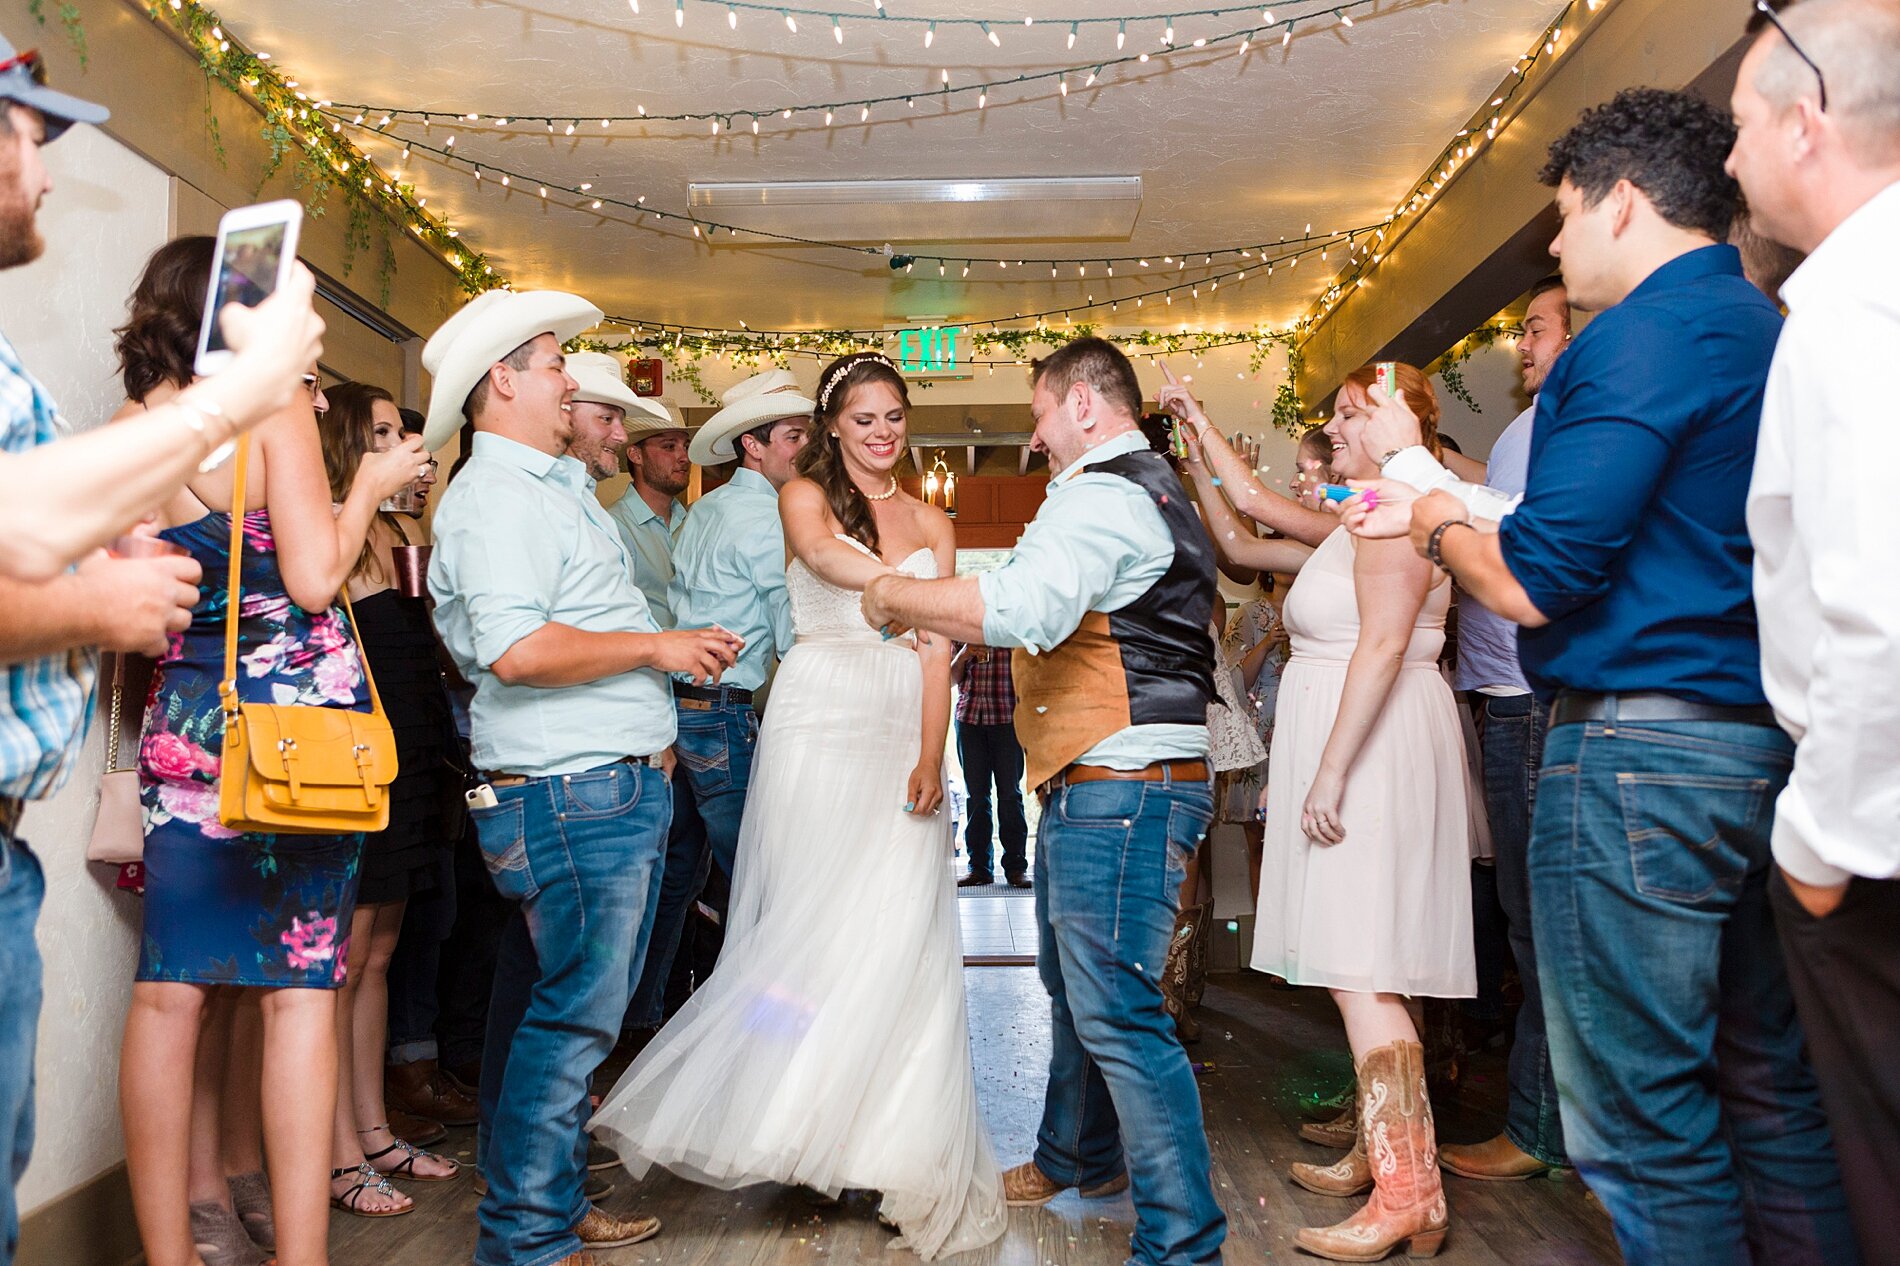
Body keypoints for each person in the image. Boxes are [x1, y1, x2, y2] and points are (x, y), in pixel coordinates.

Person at [1343, 89, 1858, 1266]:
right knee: (1766, 1094)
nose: (1558, 246)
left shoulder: (1635, 337)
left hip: (1636, 759)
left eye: (1565, 219)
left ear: (1623, 202)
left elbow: (1533, 581)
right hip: (1752, 745)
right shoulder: (1762, 325)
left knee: (1637, 1122)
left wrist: (1433, 521)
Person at [593, 351, 1006, 1259]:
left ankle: (896, 1141)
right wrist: (907, 592)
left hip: (900, 717)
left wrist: (932, 752)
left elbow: (938, 650)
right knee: (815, 921)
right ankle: (795, 1116)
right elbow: (822, 560)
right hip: (818, 722)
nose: (883, 432)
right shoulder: (803, 500)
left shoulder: (934, 519)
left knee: (903, 929)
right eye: (863, 419)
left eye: (893, 415)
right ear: (833, 428)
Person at [862, 337, 1225, 1266]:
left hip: (1126, 783)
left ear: (1084, 406)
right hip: (1104, 777)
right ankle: (1080, 1157)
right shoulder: (1137, 487)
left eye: (1036, 411)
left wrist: (899, 592)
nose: (1030, 432)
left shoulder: (1106, 495)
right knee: (1074, 991)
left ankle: (1185, 1242)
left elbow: (1023, 609)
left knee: (1120, 1012)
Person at [116, 222, 425, 1266]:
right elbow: (310, 575)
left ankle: (168, 1254)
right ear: (235, 314)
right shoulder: (276, 410)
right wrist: (368, 495)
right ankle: (302, 1258)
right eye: (289, 299)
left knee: (169, 994)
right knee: (299, 992)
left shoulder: (138, 423)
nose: (313, 325)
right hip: (296, 736)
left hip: (192, 727)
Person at [420, 289, 740, 1266]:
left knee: (545, 1011)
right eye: (556, 363)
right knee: (571, 1022)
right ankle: (524, 1240)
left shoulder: (547, 488)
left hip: (594, 786)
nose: (570, 379)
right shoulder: (500, 497)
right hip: (572, 795)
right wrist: (661, 646)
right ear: (503, 380)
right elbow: (516, 650)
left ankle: (542, 1207)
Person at [1207, 365, 1472, 1259]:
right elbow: (1249, 520)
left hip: (1373, 745)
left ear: (1396, 421)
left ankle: (1409, 1191)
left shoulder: (1399, 503)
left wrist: (1325, 773)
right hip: (1365, 736)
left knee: (1363, 961)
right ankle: (1391, 1152)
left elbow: (1387, 643)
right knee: (1372, 957)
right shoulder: (1365, 508)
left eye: (1349, 414)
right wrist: (1195, 430)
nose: (1334, 427)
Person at [1726, 4, 1900, 1259]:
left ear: (1805, 123)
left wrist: (1814, 841)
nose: (1728, 161)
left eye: (1738, 127)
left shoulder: (1852, 310)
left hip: (1873, 840)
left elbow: (1879, 611)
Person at [627, 369, 811, 1044]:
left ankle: (639, 1026)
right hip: (727, 713)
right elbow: (791, 629)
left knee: (675, 881)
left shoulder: (703, 510)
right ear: (752, 447)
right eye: (792, 437)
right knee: (760, 884)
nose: (803, 449)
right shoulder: (767, 516)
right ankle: (760, 1035)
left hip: (681, 710)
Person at [1437, 277, 1573, 1184]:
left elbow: (1531, 549)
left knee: (1536, 929)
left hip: (1529, 699)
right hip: (1507, 700)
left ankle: (1539, 1132)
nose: (1520, 345)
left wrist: (1440, 521)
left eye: (1533, 328)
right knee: (1533, 926)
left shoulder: (1560, 420)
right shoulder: (1533, 427)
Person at [316, 382, 463, 1212]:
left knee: (379, 957)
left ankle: (373, 1130)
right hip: (355, 756)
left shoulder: (400, 530)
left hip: (412, 757)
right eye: (380, 433)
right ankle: (338, 1152)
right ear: (346, 445)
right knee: (340, 962)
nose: (401, 443)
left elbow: (425, 642)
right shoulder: (331, 533)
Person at [604, 387, 693, 630]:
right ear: (635, 455)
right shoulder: (613, 527)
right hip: (645, 664)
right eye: (668, 446)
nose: (684, 457)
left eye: (685, 445)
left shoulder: (693, 522)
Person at [950, 642, 1029, 888]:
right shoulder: (959, 627)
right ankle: (979, 868)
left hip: (1008, 718)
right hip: (969, 718)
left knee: (1010, 795)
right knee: (975, 796)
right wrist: (963, 655)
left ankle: (1016, 868)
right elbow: (950, 678)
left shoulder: (1013, 625)